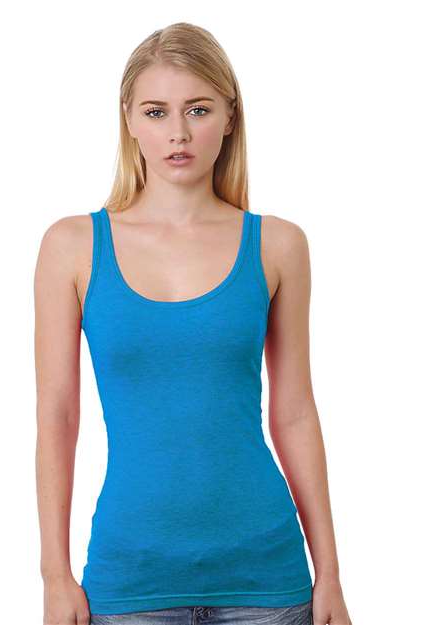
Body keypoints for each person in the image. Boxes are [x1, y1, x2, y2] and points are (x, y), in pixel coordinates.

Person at [34, 22, 352, 625]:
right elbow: (57, 415)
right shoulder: (72, 246)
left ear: (230, 118)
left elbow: (294, 414)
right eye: (156, 112)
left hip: (266, 578)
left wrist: (330, 574)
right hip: (129, 579)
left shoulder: (278, 245)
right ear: (129, 120)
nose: (177, 132)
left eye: (198, 109)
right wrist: (54, 573)